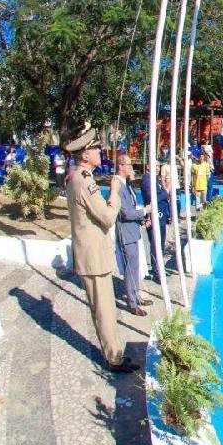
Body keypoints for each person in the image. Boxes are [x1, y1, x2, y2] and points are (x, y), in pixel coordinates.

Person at [64, 124, 138, 373]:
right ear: (84, 155)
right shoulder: (84, 181)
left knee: (106, 308)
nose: (99, 151)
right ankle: (114, 358)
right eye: (95, 148)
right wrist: (115, 192)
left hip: (95, 254)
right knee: (104, 310)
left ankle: (114, 352)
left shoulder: (83, 178)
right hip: (93, 256)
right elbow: (106, 217)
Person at [114, 154, 152, 316]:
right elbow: (126, 213)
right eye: (129, 165)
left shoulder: (127, 185)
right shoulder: (117, 186)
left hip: (133, 230)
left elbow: (132, 207)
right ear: (121, 166)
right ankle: (132, 302)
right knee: (130, 269)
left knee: (135, 267)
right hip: (126, 233)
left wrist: (142, 219)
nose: (131, 168)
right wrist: (145, 211)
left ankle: (136, 295)